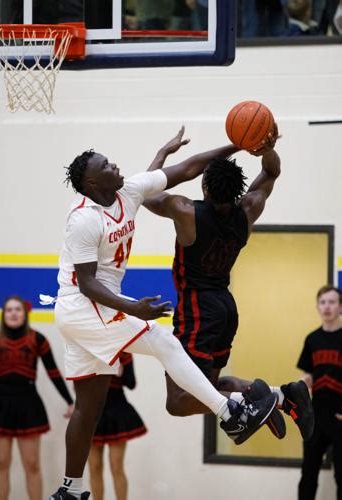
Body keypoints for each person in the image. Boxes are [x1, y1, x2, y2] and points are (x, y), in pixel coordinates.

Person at [48, 128, 279, 500]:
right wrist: (134, 308)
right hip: (82, 305)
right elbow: (87, 283)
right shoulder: (83, 219)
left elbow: (189, 168)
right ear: (92, 182)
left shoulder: (129, 190)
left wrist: (240, 142)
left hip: (96, 309)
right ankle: (229, 413)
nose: (115, 163)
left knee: (89, 405)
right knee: (162, 340)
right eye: (106, 164)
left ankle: (70, 490)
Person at [143, 124, 314, 442]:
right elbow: (272, 172)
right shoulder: (249, 209)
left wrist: (163, 153)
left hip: (197, 310)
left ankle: (262, 405)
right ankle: (283, 395)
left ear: (204, 185)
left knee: (177, 402)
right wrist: (264, 147)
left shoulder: (186, 211)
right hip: (225, 307)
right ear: (238, 189)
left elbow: (144, 191)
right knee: (210, 389)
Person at [0, 295, 74, 500]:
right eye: (9, 310)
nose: (13, 313)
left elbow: (53, 372)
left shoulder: (38, 340)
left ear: (25, 313)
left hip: (29, 405)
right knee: (1, 464)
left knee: (32, 465)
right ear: (4, 315)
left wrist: (70, 401)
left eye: (17, 309)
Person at [297, 285, 342, 500]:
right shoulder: (312, 339)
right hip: (316, 418)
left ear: (340, 307)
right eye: (323, 302)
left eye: (332, 302)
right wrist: (302, 383)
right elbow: (310, 374)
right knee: (308, 475)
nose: (327, 307)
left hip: (340, 417)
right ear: (317, 306)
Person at [88, 353, 146, 500]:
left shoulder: (124, 353)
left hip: (116, 410)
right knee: (94, 467)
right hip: (92, 410)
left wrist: (121, 372)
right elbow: (78, 385)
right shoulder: (87, 349)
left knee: (116, 466)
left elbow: (132, 384)